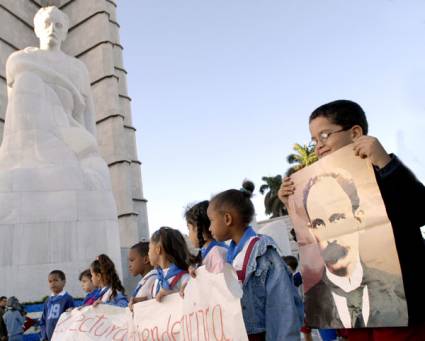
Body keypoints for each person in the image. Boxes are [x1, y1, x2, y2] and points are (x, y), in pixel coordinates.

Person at [279, 99, 425, 340]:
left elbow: (420, 210)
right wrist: (292, 207)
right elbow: (312, 244)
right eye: (314, 140)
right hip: (354, 313)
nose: (319, 146)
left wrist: (385, 163)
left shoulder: (383, 171)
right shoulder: (323, 191)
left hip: (402, 305)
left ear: (355, 133)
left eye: (325, 135)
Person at [302, 171, 407, 329]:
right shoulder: (312, 302)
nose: (331, 237)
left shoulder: (396, 288)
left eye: (338, 219)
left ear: (359, 219)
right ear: (312, 232)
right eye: (319, 224)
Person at [207, 180, 302, 341]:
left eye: (211, 221)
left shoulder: (263, 252)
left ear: (227, 219)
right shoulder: (227, 258)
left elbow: (283, 308)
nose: (209, 228)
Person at [148, 227, 191, 302]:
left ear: (158, 250)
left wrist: (172, 297)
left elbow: (192, 299)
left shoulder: (184, 276)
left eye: (149, 248)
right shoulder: (158, 278)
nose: (148, 253)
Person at [185, 200, 228, 272]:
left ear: (197, 228)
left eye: (189, 229)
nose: (189, 234)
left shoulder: (216, 254)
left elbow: (222, 281)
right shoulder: (209, 252)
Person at [39, 270, 74, 341]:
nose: (52, 283)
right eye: (50, 281)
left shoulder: (67, 298)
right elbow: (43, 321)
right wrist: (43, 337)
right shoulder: (47, 301)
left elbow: (71, 320)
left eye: (55, 280)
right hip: (49, 338)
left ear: (63, 282)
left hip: (62, 337)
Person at [128, 241, 157, 311]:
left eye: (132, 260)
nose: (129, 265)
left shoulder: (154, 279)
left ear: (146, 259)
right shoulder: (145, 281)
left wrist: (147, 300)